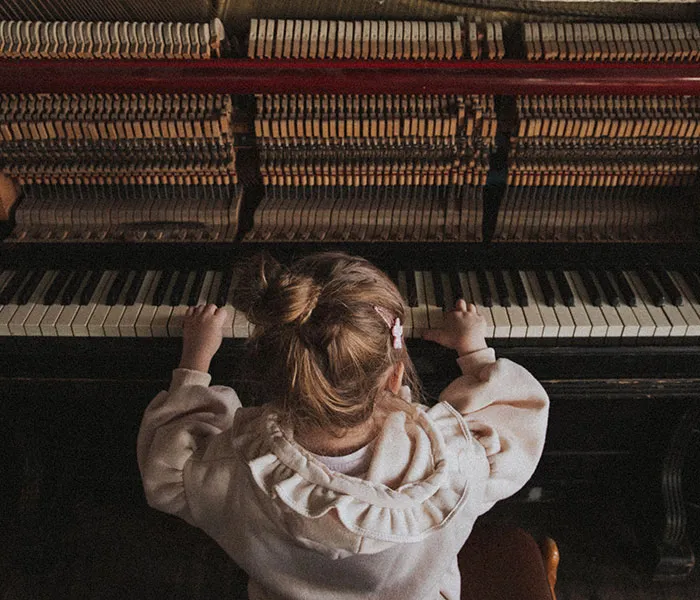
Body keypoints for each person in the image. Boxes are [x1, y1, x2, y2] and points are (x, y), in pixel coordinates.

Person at [137, 252, 549, 600]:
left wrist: (195, 361)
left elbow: (168, 465)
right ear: (394, 377)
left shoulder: (230, 467)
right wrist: (475, 351)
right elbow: (514, 414)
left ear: (279, 379)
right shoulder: (460, 464)